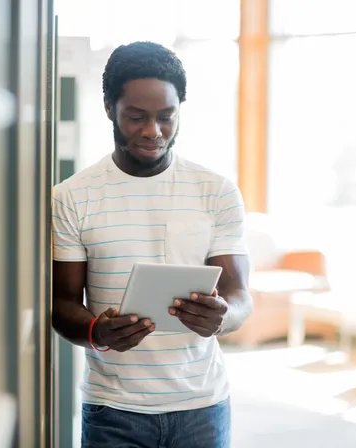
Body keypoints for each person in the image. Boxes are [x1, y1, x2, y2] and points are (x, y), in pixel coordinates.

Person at [51, 41, 252, 448]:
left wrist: (223, 317)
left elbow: (241, 297)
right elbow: (61, 304)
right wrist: (96, 331)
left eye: (166, 117)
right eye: (136, 117)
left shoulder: (216, 192)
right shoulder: (71, 197)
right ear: (109, 107)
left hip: (202, 406)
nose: (152, 132)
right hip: (113, 410)